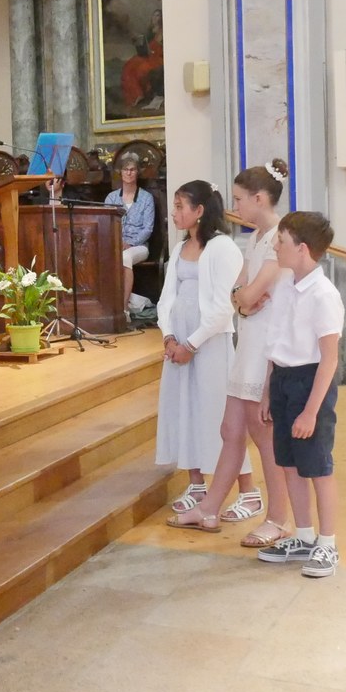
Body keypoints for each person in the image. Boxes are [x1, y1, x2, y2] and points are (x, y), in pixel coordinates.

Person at [165, 160, 291, 548]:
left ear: (259, 198)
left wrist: (244, 298)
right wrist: (244, 299)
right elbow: (239, 296)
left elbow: (248, 295)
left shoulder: (278, 238)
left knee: (264, 435)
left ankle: (277, 518)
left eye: (239, 199)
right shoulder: (255, 239)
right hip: (249, 340)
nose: (234, 206)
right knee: (230, 429)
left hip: (266, 345)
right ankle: (209, 508)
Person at [252, 211, 342, 579]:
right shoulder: (285, 285)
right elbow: (275, 342)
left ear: (302, 249)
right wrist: (267, 391)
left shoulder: (324, 295)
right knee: (288, 464)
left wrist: (310, 411)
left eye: (282, 241)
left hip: (310, 383)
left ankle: (328, 543)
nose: (275, 246)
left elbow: (329, 359)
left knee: (317, 466)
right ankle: (304, 537)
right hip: (283, 379)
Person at [155, 181, 243, 504]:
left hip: (208, 342)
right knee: (184, 408)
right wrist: (168, 335)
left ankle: (246, 489)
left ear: (200, 210)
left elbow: (223, 306)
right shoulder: (180, 248)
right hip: (178, 341)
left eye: (180, 206)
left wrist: (191, 345)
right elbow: (166, 298)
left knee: (216, 412)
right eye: (175, 206)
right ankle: (195, 483)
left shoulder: (222, 247)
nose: (174, 212)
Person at [102, 150, 156, 304]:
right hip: (115, 246)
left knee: (125, 257)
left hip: (139, 246)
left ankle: (124, 307)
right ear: (120, 172)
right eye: (126, 169)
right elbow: (106, 225)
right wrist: (118, 243)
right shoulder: (111, 197)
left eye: (132, 169)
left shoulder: (146, 198)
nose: (129, 173)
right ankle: (107, 304)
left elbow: (148, 228)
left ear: (137, 172)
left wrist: (130, 243)